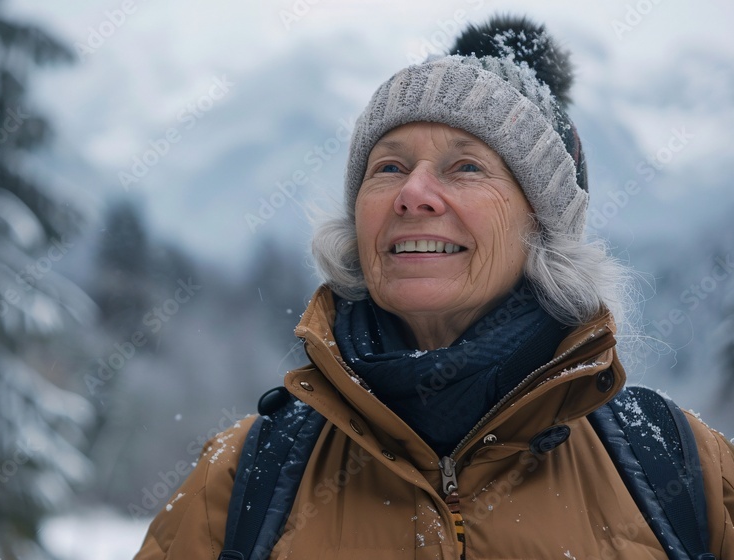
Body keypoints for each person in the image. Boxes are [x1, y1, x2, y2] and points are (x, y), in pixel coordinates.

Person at [134, 15, 734, 559]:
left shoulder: (683, 472)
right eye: (389, 167)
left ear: (543, 226)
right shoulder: (243, 479)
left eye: (466, 166)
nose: (412, 193)